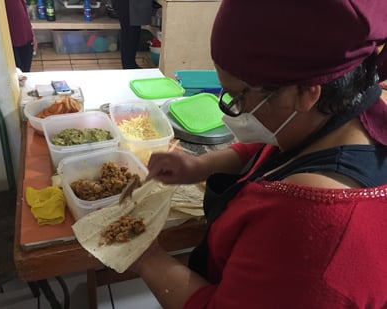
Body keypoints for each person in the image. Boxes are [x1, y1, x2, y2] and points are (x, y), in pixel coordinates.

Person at [128, 0, 387, 308]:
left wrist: (147, 257)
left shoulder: (313, 222)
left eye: (238, 96)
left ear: (306, 93)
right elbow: (273, 146)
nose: (235, 112)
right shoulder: (346, 109)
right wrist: (198, 166)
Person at [111, 0, 152, 69]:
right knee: (130, 32)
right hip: (128, 3)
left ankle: (130, 65)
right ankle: (129, 66)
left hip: (127, 4)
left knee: (131, 31)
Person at [5, 0, 37, 72]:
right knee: (15, 78)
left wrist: (31, 33)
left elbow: (22, 7)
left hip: (25, 36)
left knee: (24, 76)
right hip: (9, 42)